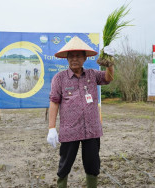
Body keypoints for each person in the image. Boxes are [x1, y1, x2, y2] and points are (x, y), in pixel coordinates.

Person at [46, 36, 114, 187]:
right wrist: (51, 128)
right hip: (70, 130)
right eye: (71, 56)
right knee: (65, 164)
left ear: (84, 58)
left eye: (78, 56)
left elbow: (108, 78)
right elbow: (54, 101)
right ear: (67, 59)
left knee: (92, 164)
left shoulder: (92, 74)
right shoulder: (60, 78)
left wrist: (110, 64)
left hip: (92, 130)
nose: (74, 59)